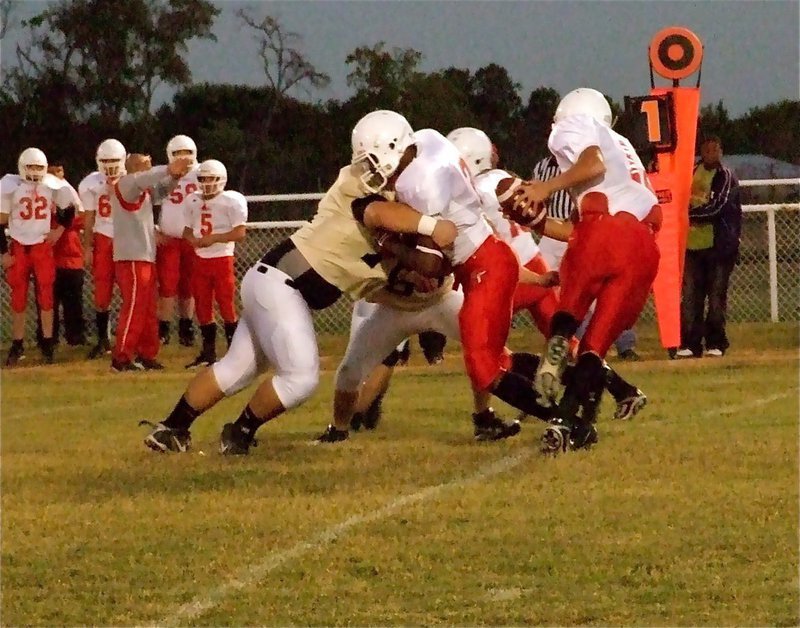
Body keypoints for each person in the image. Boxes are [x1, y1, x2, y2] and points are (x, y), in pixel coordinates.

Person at [139, 111, 457, 455]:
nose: (372, 172)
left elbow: (376, 281)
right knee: (301, 378)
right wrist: (430, 227)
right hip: (281, 284)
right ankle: (240, 432)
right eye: (367, 163)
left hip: (273, 282)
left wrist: (418, 279)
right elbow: (379, 214)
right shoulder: (362, 189)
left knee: (236, 370)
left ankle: (171, 428)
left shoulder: (388, 213)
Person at [344, 113, 560, 444]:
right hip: (486, 262)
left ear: (390, 147)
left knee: (484, 366)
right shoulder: (428, 136)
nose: (371, 170)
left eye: (372, 161)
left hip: (482, 267)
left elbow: (433, 265)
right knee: (491, 362)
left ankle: (567, 416)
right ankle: (566, 407)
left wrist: (387, 241)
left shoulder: (417, 187)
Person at [512, 88, 662, 453]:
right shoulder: (623, 146)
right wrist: (539, 223)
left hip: (604, 231)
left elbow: (592, 164)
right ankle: (566, 424)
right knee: (595, 347)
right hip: (643, 247)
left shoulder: (575, 125)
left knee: (572, 305)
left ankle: (557, 346)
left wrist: (544, 188)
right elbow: (580, 229)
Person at [532, 153, 641, 362]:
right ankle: (568, 341)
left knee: (595, 290)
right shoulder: (543, 165)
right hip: (552, 231)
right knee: (540, 283)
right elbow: (541, 196)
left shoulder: (585, 162)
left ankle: (624, 344)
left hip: (581, 229)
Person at [109, 152, 193, 372]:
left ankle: (146, 352)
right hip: (132, 257)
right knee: (135, 307)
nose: (150, 168)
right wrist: (168, 169)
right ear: (134, 166)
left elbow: (162, 191)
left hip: (145, 256)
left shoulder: (142, 190)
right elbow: (143, 179)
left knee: (147, 309)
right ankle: (121, 356)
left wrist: (175, 178)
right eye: (146, 165)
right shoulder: (126, 183)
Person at [1, 148, 78, 366]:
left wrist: (59, 231)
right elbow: (0, 220)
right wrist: (3, 253)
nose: (34, 171)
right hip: (19, 245)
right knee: (18, 297)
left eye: (38, 167)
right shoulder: (11, 185)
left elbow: (70, 208)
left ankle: (47, 341)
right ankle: (18, 343)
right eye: (31, 166)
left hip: (41, 246)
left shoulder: (51, 184)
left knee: (46, 296)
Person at [677, 135, 742, 358]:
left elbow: (718, 207)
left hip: (719, 246)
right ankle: (689, 343)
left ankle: (716, 342)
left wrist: (688, 215)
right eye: (707, 151)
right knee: (691, 296)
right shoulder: (691, 172)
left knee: (716, 296)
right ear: (701, 152)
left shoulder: (726, 176)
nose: (711, 155)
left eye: (715, 150)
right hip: (692, 246)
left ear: (721, 152)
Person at [182, 159, 247, 368]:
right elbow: (186, 230)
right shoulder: (192, 200)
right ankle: (208, 353)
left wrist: (214, 238)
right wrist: (192, 240)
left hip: (222, 258)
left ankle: (235, 353)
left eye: (211, 179)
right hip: (200, 258)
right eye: (203, 179)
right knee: (202, 306)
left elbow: (240, 232)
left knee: (226, 305)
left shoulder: (231, 200)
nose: (207, 183)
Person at [81, 139, 126, 359]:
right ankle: (103, 340)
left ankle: (131, 338)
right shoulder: (90, 183)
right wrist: (87, 246)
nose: (109, 165)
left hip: (128, 239)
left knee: (131, 291)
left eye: (113, 160)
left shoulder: (132, 179)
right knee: (101, 292)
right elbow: (88, 216)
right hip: (103, 238)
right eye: (105, 160)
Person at [156, 134, 200, 347]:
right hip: (169, 238)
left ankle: (186, 326)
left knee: (188, 286)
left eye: (187, 153)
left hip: (192, 239)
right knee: (167, 285)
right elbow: (144, 203)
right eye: (178, 153)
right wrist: (153, 230)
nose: (183, 158)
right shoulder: (162, 175)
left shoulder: (203, 174)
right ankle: (163, 328)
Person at [46, 162, 87, 346]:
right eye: (52, 171)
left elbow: (82, 218)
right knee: (49, 302)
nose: (56, 174)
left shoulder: (70, 192)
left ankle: (76, 337)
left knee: (74, 302)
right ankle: (49, 337)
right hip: (49, 257)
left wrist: (62, 225)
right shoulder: (42, 192)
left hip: (71, 255)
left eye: (59, 170)